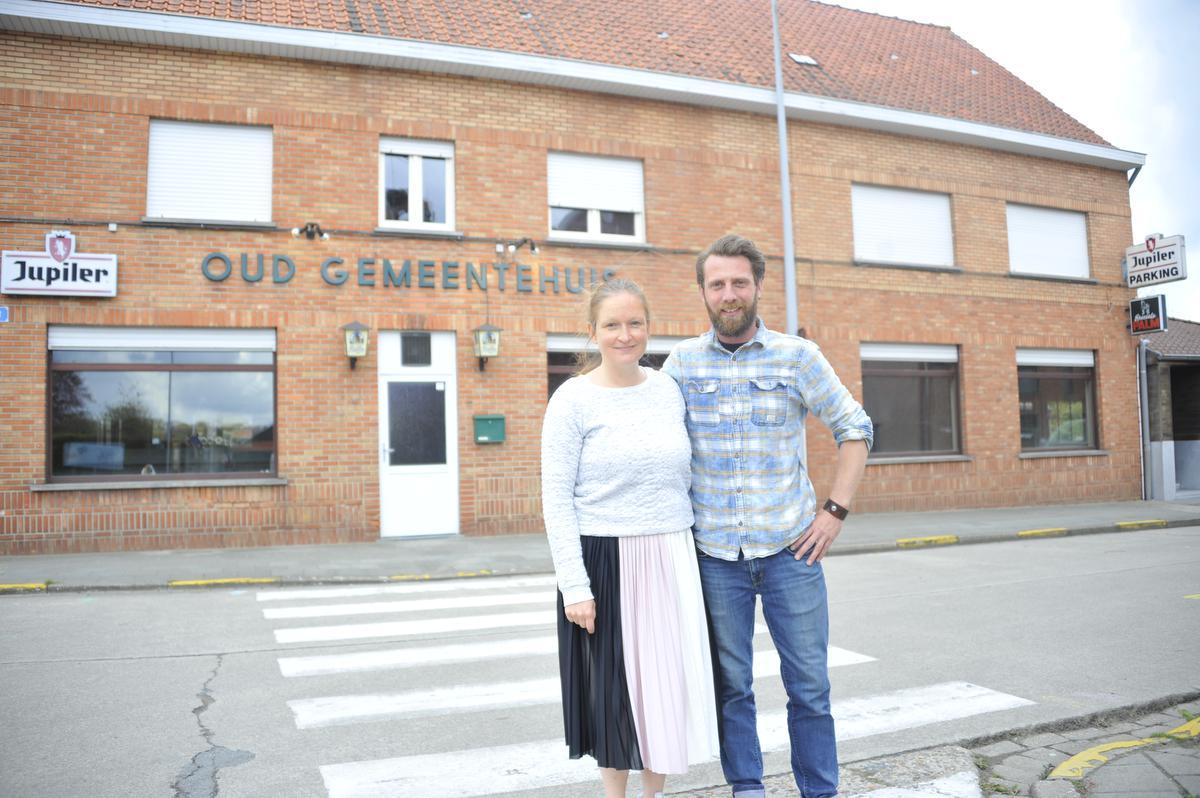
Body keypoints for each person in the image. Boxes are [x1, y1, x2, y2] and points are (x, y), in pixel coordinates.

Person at [662, 234, 873, 798]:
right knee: (731, 687)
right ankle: (747, 790)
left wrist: (833, 512)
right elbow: (650, 442)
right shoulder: (679, 363)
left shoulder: (796, 356)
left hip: (790, 551)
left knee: (809, 687)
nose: (728, 294)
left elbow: (856, 429)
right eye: (717, 284)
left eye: (738, 282)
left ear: (757, 286)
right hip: (714, 559)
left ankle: (819, 792)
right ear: (703, 292)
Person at [541, 278, 719, 798]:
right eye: (613, 324)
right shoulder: (572, 400)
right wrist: (574, 585)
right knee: (613, 693)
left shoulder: (667, 389)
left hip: (670, 553)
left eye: (634, 323)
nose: (625, 334)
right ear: (592, 332)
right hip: (604, 558)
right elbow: (556, 499)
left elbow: (688, 476)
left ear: (648, 327)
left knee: (664, 688)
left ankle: (653, 795)